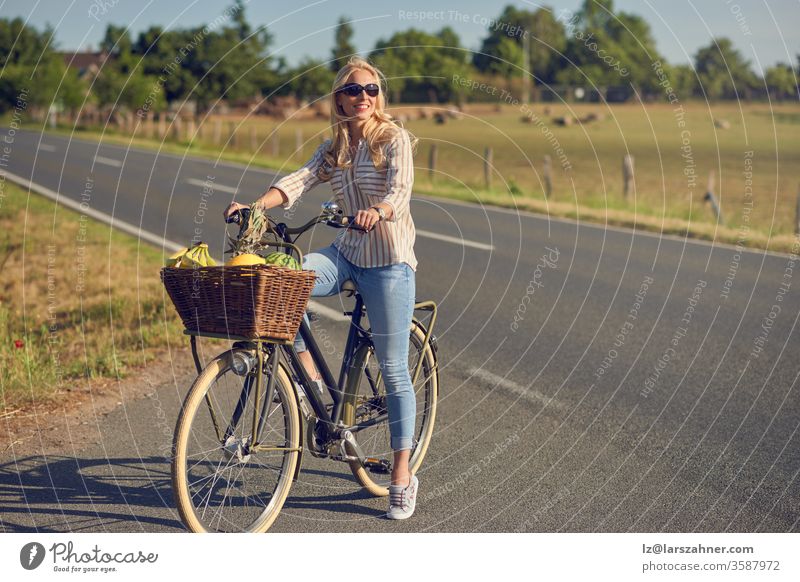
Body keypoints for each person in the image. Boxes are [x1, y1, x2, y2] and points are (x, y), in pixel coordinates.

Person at [224, 56, 420, 520]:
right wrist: (254, 206)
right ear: (339, 97)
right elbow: (300, 181)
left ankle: (401, 474)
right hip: (346, 251)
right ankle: (311, 383)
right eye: (354, 90)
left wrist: (381, 212)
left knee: (393, 369)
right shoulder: (335, 145)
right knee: (283, 286)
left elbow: (400, 189)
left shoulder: (393, 139)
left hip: (389, 261)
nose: (364, 98)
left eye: (372, 89)